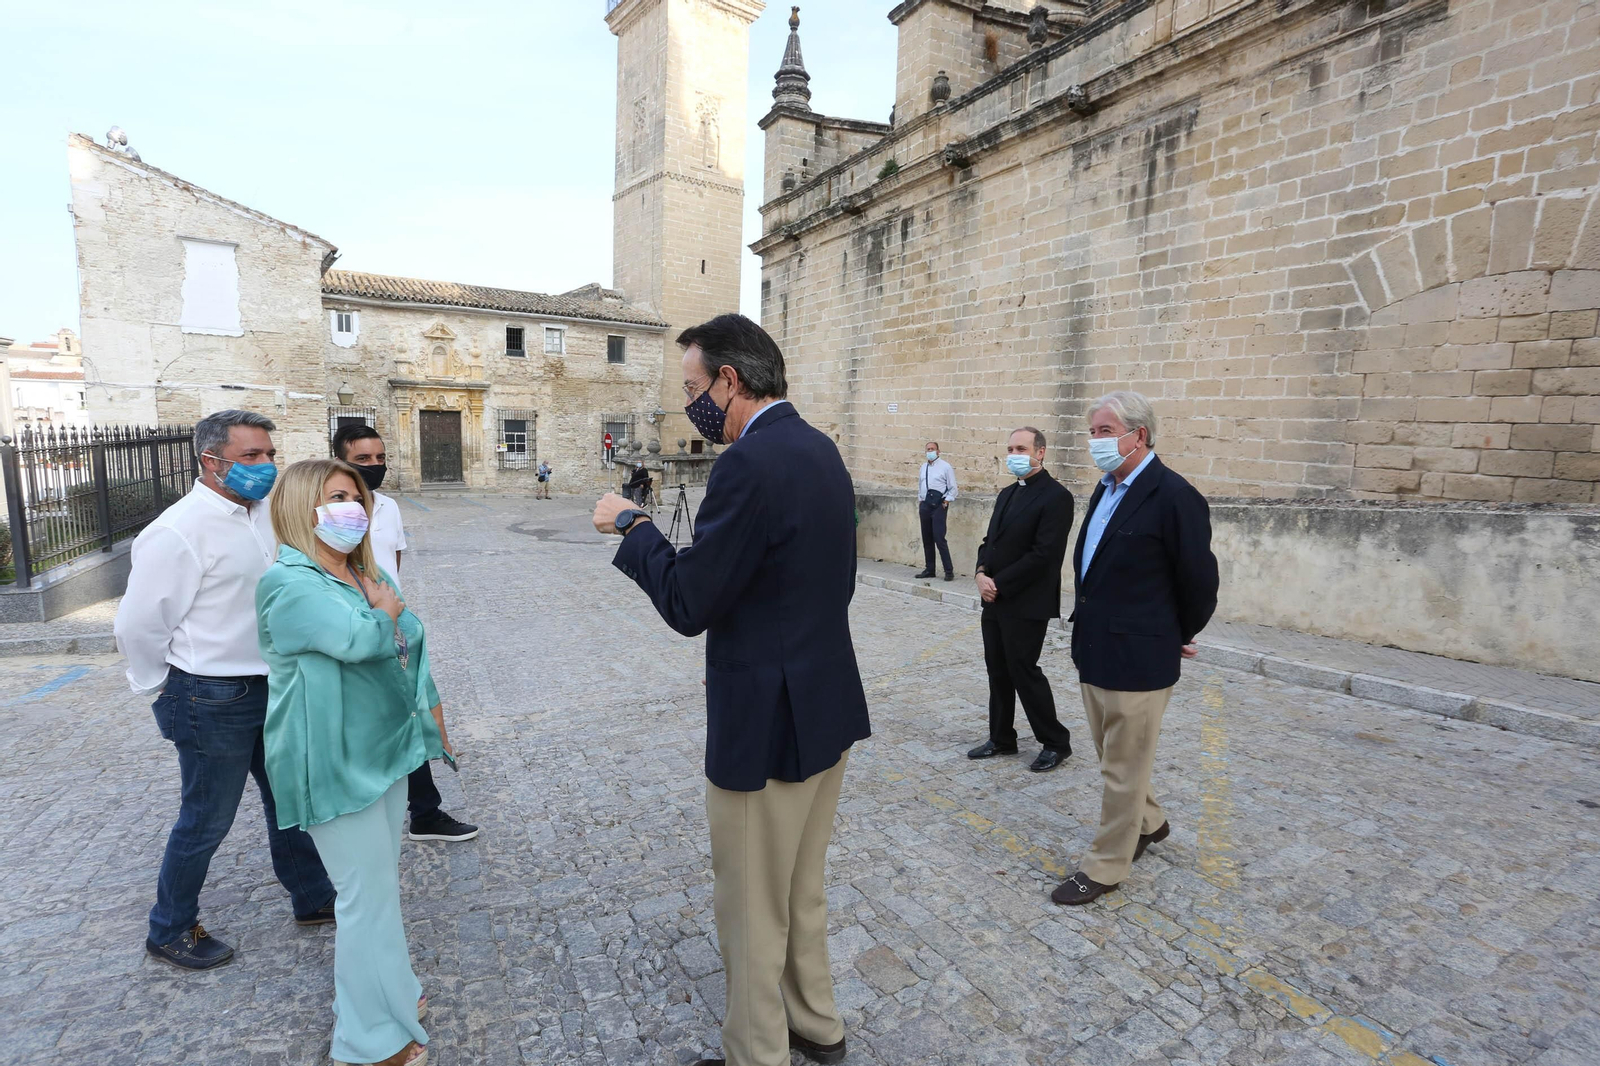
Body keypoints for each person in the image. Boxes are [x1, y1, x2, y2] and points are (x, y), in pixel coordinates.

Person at [593, 313, 870, 1066]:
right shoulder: (819, 449)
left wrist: (634, 526)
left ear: (729, 379)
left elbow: (690, 603)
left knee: (751, 902)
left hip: (767, 723)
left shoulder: (747, 463)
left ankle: (757, 1053)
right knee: (800, 885)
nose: (691, 406)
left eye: (693, 390)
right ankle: (816, 1022)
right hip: (824, 701)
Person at [115, 409, 335, 971]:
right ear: (210, 461)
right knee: (207, 817)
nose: (265, 466)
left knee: (291, 799)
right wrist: (161, 688)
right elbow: (139, 624)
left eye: (269, 454)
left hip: (273, 685)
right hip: (211, 696)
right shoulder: (177, 531)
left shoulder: (266, 516)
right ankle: (170, 928)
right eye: (250, 456)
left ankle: (313, 897)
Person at [258, 458, 454, 1066]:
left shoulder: (361, 570)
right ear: (300, 508)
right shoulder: (289, 583)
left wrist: (431, 715)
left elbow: (408, 637)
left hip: (382, 748)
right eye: (335, 497)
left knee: (377, 889)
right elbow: (360, 641)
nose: (351, 508)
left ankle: (393, 992)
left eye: (355, 497)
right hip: (332, 759)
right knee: (361, 897)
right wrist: (385, 616)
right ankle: (366, 1042)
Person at [1051, 391, 1218, 906]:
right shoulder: (1105, 490)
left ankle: (1104, 865)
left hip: (1140, 658)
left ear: (1137, 435)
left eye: (1104, 431)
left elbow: (1199, 581)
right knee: (1115, 757)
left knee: (1122, 769)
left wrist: (1176, 633)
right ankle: (1149, 822)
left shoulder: (1174, 496)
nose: (1094, 441)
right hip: (1096, 649)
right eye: (1092, 432)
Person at [333, 424, 479, 844]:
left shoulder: (389, 508)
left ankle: (424, 811)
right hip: (351, 631)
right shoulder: (328, 511)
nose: (375, 466)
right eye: (363, 459)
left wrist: (393, 613)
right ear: (340, 461)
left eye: (380, 458)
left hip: (391, 628)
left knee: (410, 712)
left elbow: (392, 565)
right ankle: (360, 815)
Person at [968, 427, 1075, 774]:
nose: (1014, 454)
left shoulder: (1056, 497)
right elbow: (990, 541)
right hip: (994, 598)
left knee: (1023, 670)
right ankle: (1001, 737)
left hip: (1026, 600)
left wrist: (998, 583)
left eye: (1021, 448)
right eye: (1011, 449)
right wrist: (980, 572)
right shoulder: (1007, 493)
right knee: (997, 670)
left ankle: (1055, 742)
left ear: (1040, 452)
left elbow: (1045, 554)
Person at [915, 441, 957, 582]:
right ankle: (930, 569)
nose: (930, 451)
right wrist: (921, 501)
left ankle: (948, 570)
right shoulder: (923, 467)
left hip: (939, 505)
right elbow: (920, 485)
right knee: (927, 538)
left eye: (932, 449)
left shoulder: (945, 467)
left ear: (938, 451)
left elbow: (953, 487)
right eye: (928, 449)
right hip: (925, 504)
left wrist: (946, 501)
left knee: (939, 538)